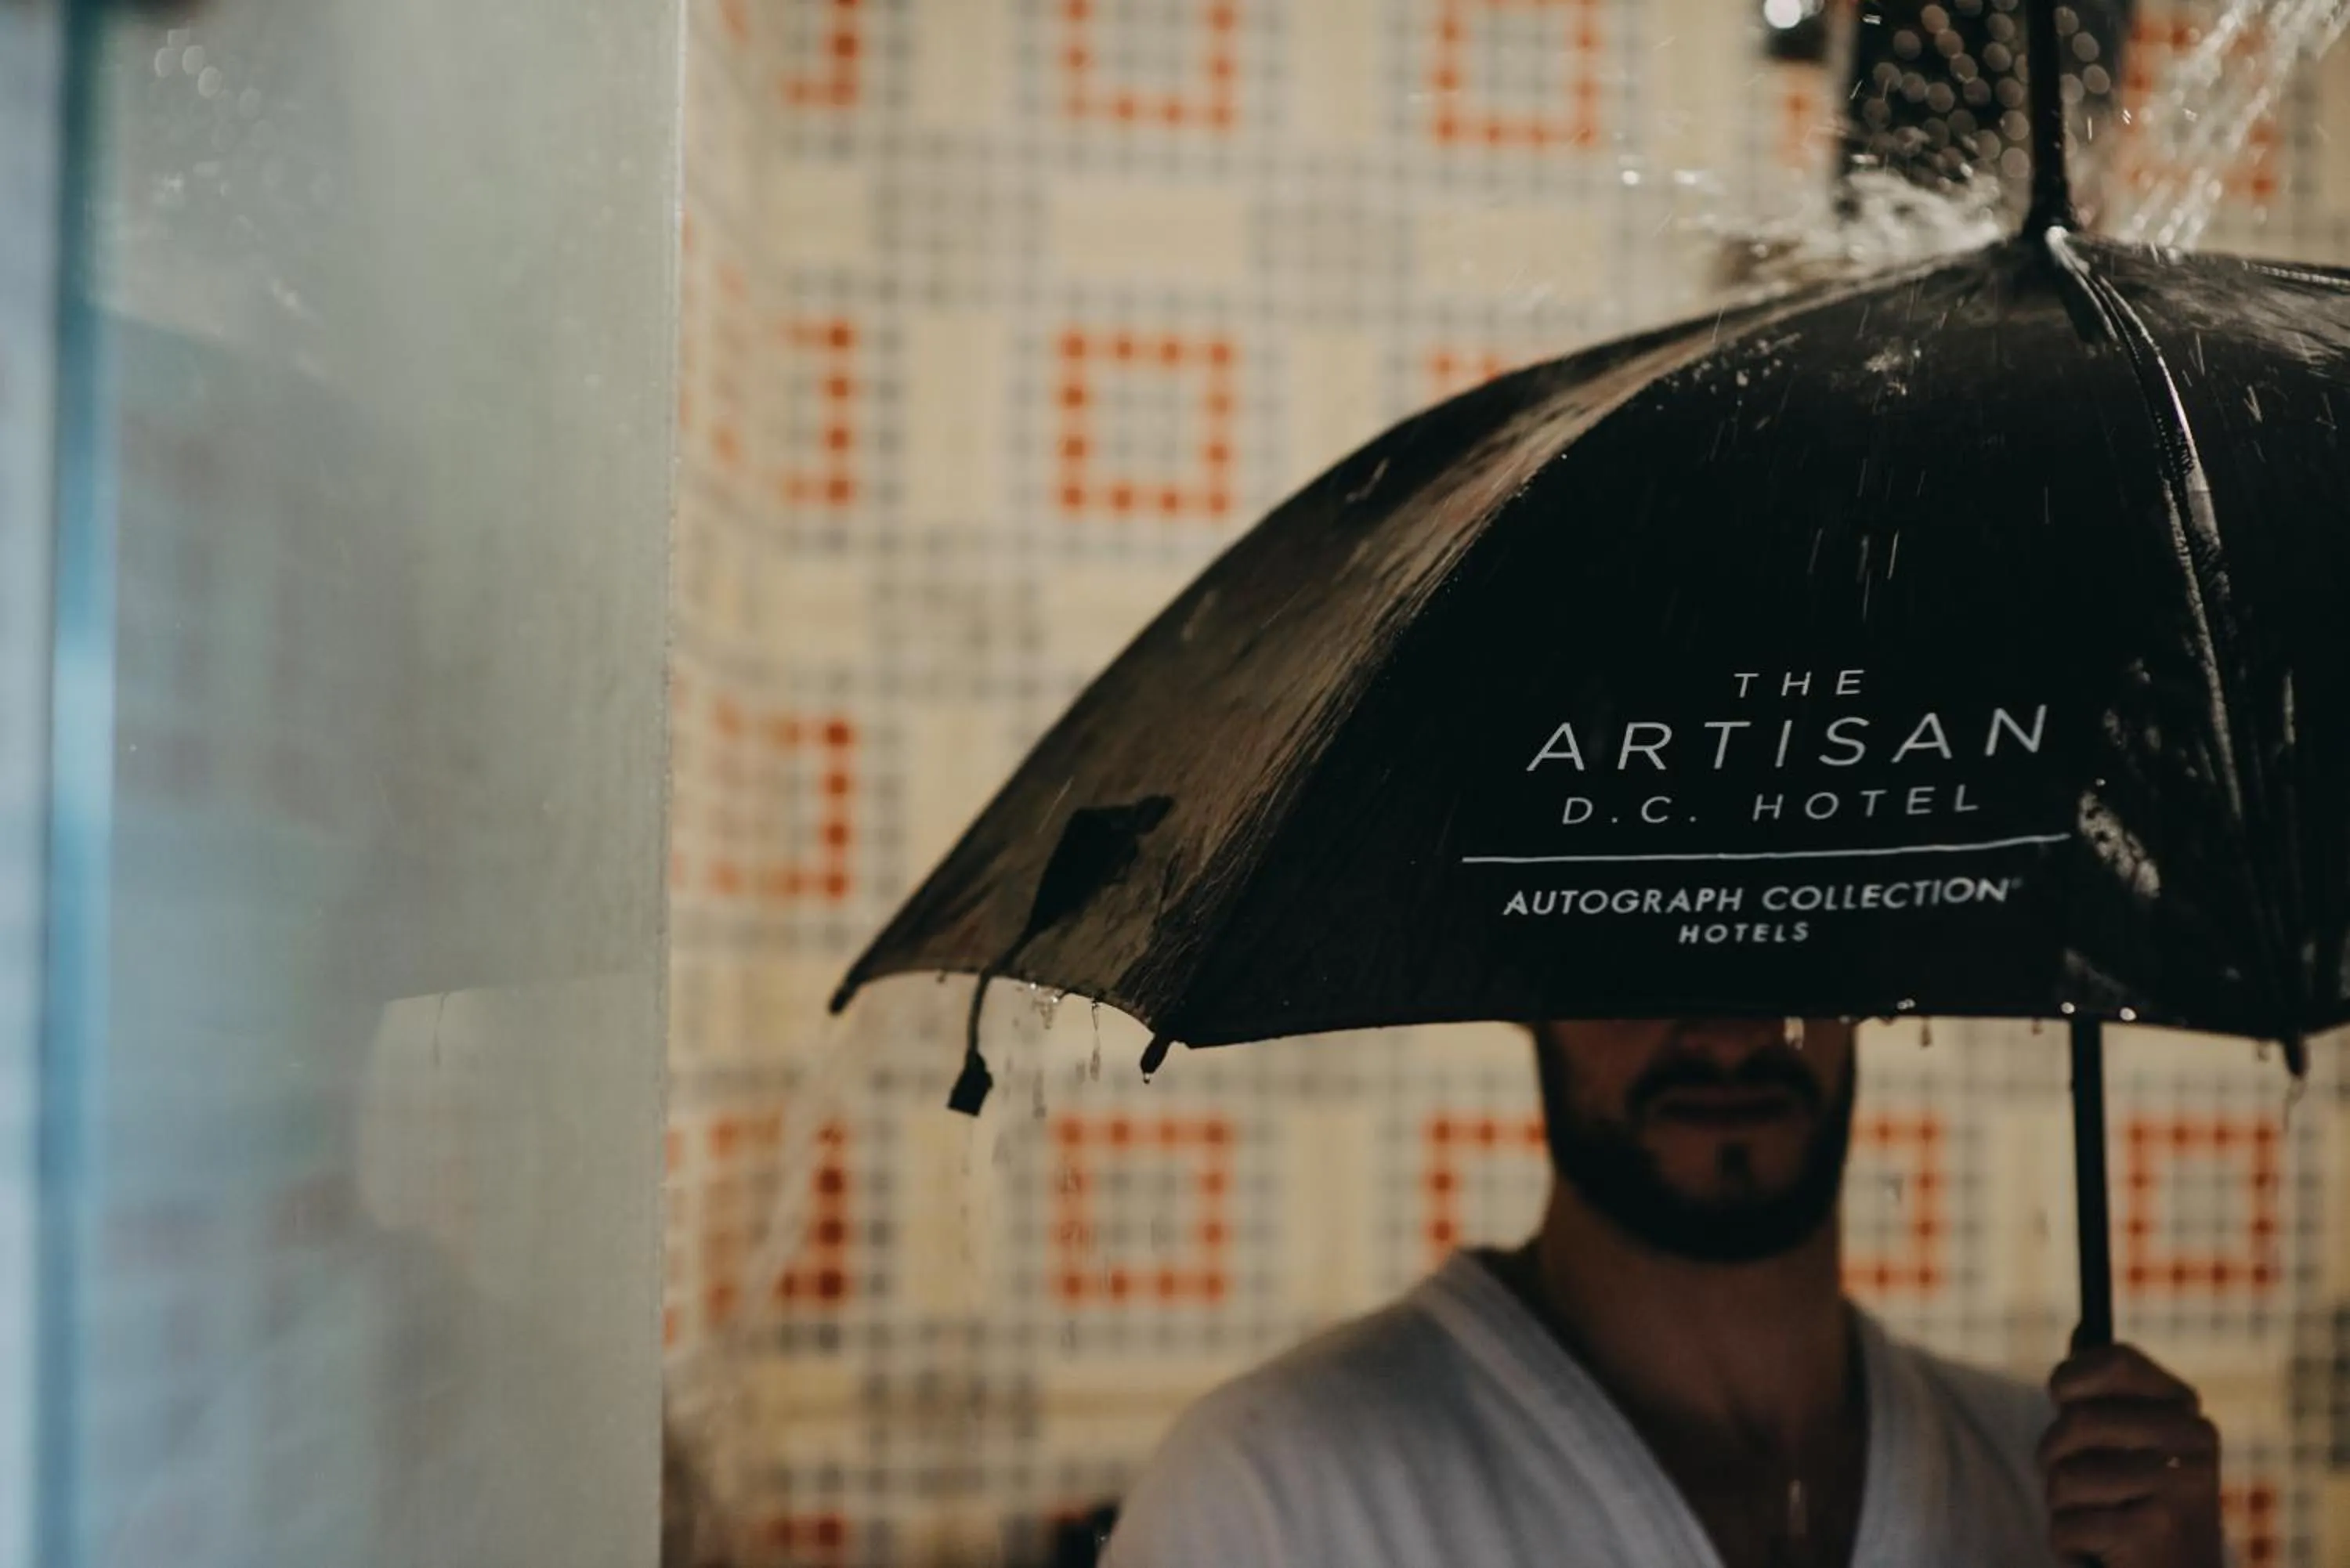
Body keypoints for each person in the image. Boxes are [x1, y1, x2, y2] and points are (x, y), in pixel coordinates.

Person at [1103, 1017, 2223, 1568]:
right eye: (1639, 937)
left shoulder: (2066, 1485)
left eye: (1789, 926)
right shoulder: (1276, 1493)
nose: (1728, 1027)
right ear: (1524, 982)